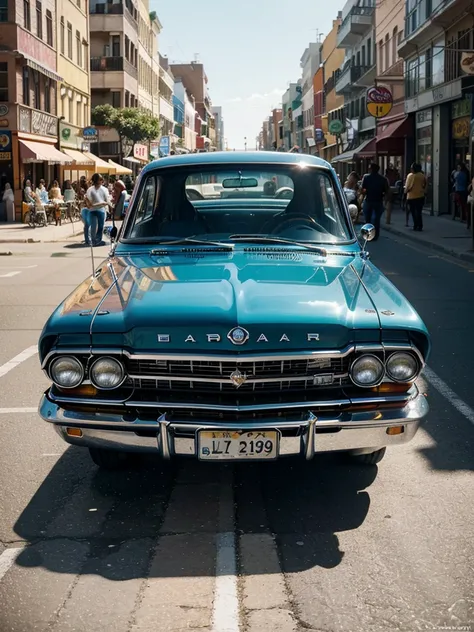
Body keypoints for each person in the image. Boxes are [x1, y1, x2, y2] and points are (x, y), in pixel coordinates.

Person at [360, 163, 389, 240]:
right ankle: (375, 235)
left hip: (368, 200)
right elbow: (387, 191)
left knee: (367, 219)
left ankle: (367, 235)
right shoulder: (383, 179)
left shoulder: (366, 177)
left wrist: (361, 198)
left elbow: (363, 190)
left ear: (371, 169)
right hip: (378, 201)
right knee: (376, 220)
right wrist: (386, 202)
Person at [85, 173, 110, 246]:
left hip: (100, 209)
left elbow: (107, 200)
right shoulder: (90, 189)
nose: (101, 181)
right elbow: (89, 201)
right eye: (100, 179)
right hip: (93, 210)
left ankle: (97, 240)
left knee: (100, 226)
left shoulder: (104, 189)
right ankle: (94, 241)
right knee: (95, 226)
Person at [405, 163, 426, 231]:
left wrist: (406, 191)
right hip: (421, 195)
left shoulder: (411, 176)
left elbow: (408, 186)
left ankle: (415, 225)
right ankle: (420, 225)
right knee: (419, 212)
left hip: (412, 196)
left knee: (413, 212)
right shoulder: (422, 176)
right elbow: (425, 184)